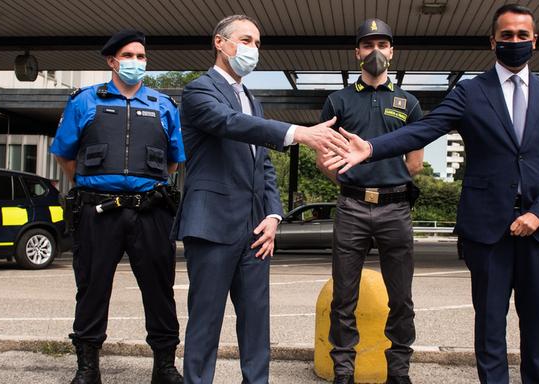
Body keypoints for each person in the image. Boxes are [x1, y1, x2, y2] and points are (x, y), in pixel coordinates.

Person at [325, 5, 539, 383]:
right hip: (488, 229)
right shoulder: (471, 92)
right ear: (493, 41)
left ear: (534, 41)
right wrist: (373, 148)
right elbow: (423, 130)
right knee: (490, 328)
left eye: (521, 36)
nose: (514, 42)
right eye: (506, 35)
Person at [172, 14, 348, 384]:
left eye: (257, 44)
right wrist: (299, 132)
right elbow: (230, 125)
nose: (254, 50)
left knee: (256, 324)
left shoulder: (252, 98)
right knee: (205, 322)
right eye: (246, 40)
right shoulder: (198, 91)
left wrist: (273, 214)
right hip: (213, 225)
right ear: (219, 43)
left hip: (256, 230)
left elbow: (262, 164)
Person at [50, 30, 186, 384]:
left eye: (142, 57)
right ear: (112, 61)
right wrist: (93, 186)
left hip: (151, 211)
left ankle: (165, 365)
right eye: (129, 56)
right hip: (99, 210)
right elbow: (65, 156)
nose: (136, 63)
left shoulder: (162, 105)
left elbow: (173, 162)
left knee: (159, 289)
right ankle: (87, 367)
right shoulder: (84, 101)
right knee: (92, 287)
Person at [316, 18, 424, 384]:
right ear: (357, 52)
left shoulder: (409, 103)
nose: (374, 51)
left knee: (402, 299)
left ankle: (399, 371)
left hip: (396, 209)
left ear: (392, 52)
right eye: (367, 45)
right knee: (343, 297)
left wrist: (389, 183)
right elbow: (324, 160)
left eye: (382, 45)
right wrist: (350, 182)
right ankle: (343, 371)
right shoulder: (338, 101)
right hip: (352, 208)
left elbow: (416, 163)